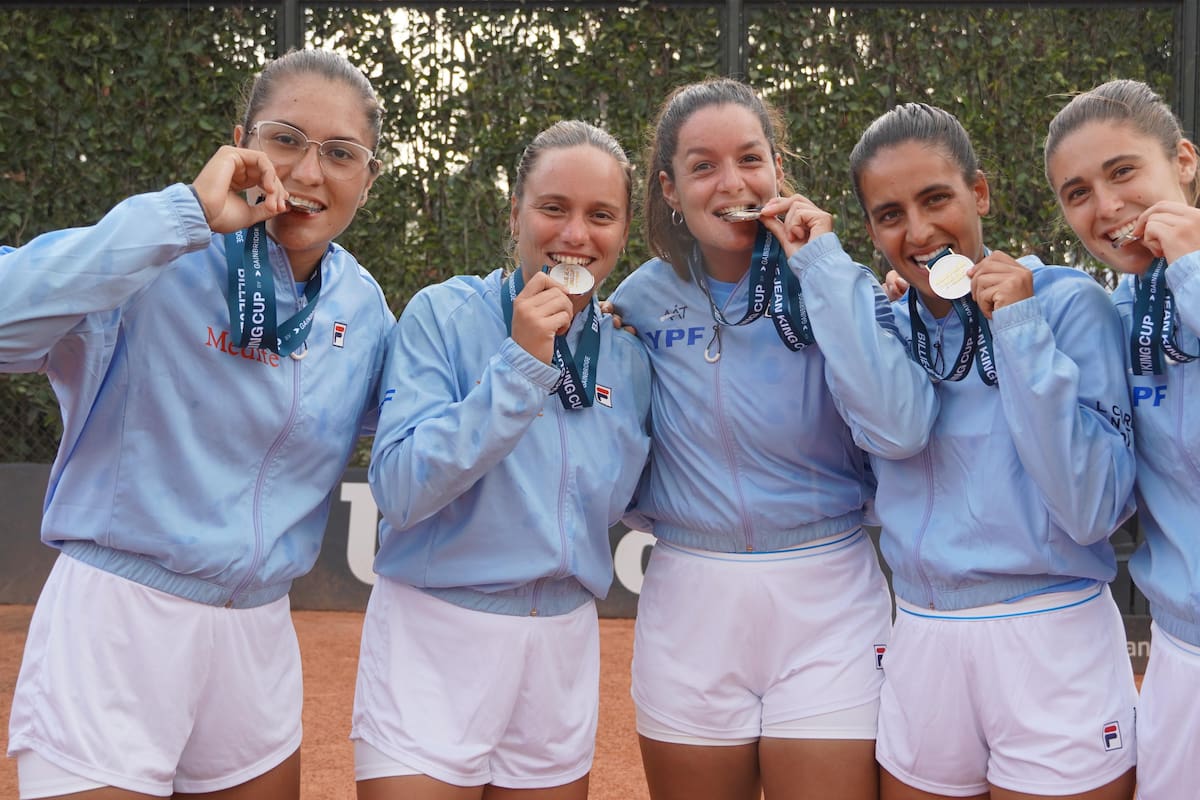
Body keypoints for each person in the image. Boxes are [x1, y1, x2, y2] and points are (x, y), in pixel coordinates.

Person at [2, 49, 392, 799]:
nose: (310, 174)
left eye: (341, 154)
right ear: (240, 139)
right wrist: (182, 213)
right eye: (285, 139)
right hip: (119, 624)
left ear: (369, 179)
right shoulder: (152, 255)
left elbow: (421, 415)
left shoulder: (363, 307)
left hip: (256, 636)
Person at [605, 77, 938, 800]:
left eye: (750, 159)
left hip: (828, 601)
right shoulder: (636, 302)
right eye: (703, 166)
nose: (733, 183)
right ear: (668, 188)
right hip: (690, 602)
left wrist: (822, 271)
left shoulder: (834, 280)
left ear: (777, 170)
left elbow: (900, 428)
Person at [351, 119, 652, 800]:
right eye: (553, 208)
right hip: (434, 637)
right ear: (514, 212)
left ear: (623, 230)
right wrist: (518, 367)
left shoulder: (631, 358)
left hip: (560, 647)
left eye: (600, 215)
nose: (575, 234)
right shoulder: (441, 315)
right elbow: (398, 488)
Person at [850, 102, 1138, 800]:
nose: (917, 231)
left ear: (979, 193)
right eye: (890, 215)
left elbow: (1092, 507)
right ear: (871, 230)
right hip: (922, 635)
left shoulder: (1070, 305)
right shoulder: (880, 328)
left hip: (1054, 633)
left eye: (936, 198)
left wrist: (1018, 324)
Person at [1044, 79, 1200, 800]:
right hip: (1181, 654)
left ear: (1186, 163)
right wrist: (918, 301)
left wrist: (1193, 265)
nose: (1106, 208)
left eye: (1123, 172)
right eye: (1077, 193)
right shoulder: (1116, 315)